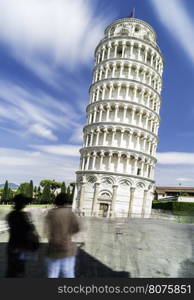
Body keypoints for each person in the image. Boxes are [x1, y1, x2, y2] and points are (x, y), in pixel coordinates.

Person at [44, 193, 80, 278]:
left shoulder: (50, 213)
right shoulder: (70, 213)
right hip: (68, 249)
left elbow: (45, 232)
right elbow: (77, 229)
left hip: (53, 249)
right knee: (68, 274)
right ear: (66, 201)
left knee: (52, 274)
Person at [5, 194, 40, 277]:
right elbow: (28, 230)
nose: (25, 205)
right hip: (21, 247)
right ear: (21, 203)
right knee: (19, 270)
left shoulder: (11, 215)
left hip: (12, 245)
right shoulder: (22, 216)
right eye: (24, 203)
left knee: (12, 270)